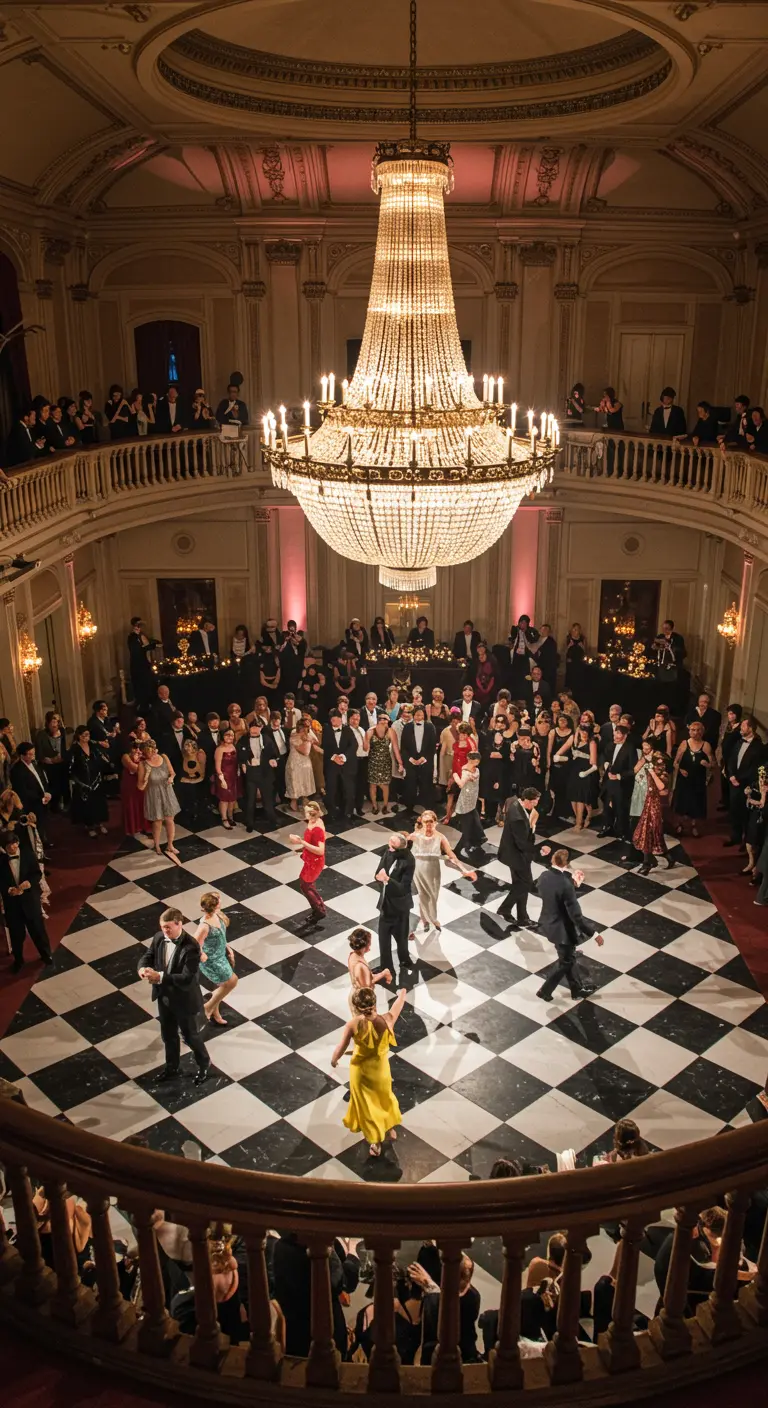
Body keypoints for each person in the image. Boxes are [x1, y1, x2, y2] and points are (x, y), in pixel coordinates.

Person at [138, 907, 211, 1085]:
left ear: (179, 924)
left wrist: (159, 977)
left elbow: (186, 978)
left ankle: (204, 1064)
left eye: (168, 927)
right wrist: (142, 968)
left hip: (184, 1000)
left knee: (190, 1036)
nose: (164, 931)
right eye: (163, 927)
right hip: (165, 997)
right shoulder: (159, 938)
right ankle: (172, 1068)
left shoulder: (191, 946)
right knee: (168, 1035)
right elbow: (148, 956)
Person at [332, 986, 406, 1158]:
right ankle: (389, 1128)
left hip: (361, 1073)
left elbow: (340, 1047)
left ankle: (375, 1141)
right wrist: (402, 994)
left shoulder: (352, 1024)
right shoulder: (386, 1021)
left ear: (356, 1007)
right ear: (375, 1003)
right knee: (384, 1100)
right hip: (381, 1072)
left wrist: (334, 1060)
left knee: (368, 1108)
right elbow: (397, 1007)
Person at [536, 848, 604, 999]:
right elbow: (576, 916)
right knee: (565, 962)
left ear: (553, 860)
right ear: (567, 864)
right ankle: (545, 991)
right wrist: (594, 934)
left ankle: (577, 989)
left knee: (569, 958)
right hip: (562, 930)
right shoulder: (566, 885)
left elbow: (552, 891)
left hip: (548, 923)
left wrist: (571, 882)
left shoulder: (544, 876)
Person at [405, 809, 475, 934]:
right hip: (419, 868)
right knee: (423, 895)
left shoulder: (440, 837)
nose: (428, 824)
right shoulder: (415, 835)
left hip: (433, 868)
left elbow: (451, 854)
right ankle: (426, 920)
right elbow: (402, 846)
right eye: (426, 821)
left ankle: (431, 917)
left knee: (433, 895)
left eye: (431, 821)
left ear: (435, 822)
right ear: (422, 821)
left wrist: (464, 869)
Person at [0, 829, 53, 973]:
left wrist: (29, 883)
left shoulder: (28, 855)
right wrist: (8, 890)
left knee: (38, 931)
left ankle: (46, 955)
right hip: (13, 905)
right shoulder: (1, 862)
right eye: (8, 845)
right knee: (16, 935)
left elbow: (37, 874)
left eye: (13, 843)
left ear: (17, 842)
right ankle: (18, 961)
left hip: (30, 901)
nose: (12, 847)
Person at [374, 832, 416, 982]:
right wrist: (381, 878)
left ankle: (405, 961)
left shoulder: (409, 860)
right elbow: (379, 872)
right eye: (389, 844)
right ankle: (386, 967)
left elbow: (403, 888)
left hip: (400, 906)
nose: (389, 847)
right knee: (383, 936)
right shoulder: (388, 851)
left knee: (401, 937)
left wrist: (387, 880)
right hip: (386, 903)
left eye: (392, 846)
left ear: (401, 849)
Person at [497, 787, 540, 927]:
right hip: (517, 856)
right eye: (534, 802)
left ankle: (522, 917)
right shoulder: (518, 818)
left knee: (520, 884)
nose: (535, 805)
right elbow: (522, 843)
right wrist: (538, 850)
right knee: (526, 884)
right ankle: (505, 908)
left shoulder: (515, 804)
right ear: (526, 800)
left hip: (513, 854)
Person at [194, 891, 238, 1026]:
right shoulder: (204, 926)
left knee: (221, 985)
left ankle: (215, 1011)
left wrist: (227, 947)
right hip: (211, 960)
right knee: (232, 981)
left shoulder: (218, 915)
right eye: (219, 900)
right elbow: (195, 945)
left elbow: (221, 935)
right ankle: (207, 1008)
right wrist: (202, 955)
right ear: (215, 905)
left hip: (220, 955)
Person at [137, 738, 181, 859]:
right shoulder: (142, 764)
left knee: (170, 819)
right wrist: (146, 777)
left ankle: (170, 845)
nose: (153, 754)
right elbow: (140, 787)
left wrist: (171, 778)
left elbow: (172, 772)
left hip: (167, 791)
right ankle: (157, 845)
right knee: (157, 821)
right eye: (149, 752)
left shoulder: (164, 757)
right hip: (154, 794)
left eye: (153, 751)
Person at [633, 753, 676, 875]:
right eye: (656, 762)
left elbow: (661, 787)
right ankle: (667, 857)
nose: (658, 765)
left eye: (660, 763)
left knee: (649, 834)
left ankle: (647, 864)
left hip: (655, 808)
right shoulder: (649, 770)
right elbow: (636, 773)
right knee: (649, 836)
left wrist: (652, 772)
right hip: (647, 805)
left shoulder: (664, 775)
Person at [725, 716, 763, 847]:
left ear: (751, 728)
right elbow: (731, 759)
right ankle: (735, 836)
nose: (741, 728)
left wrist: (739, 779)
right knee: (734, 810)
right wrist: (731, 775)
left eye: (743, 726)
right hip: (734, 782)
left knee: (745, 814)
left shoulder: (758, 747)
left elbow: (755, 769)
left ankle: (745, 841)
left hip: (747, 785)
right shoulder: (739, 742)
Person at [672, 721, 714, 838]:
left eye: (698, 730)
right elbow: (675, 762)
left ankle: (694, 826)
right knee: (682, 802)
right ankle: (680, 824)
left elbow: (713, 764)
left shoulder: (706, 745)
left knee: (696, 803)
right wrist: (680, 770)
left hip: (698, 779)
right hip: (684, 779)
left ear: (702, 732)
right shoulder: (684, 744)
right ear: (689, 731)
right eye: (692, 730)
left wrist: (707, 764)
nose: (695, 733)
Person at [288, 800, 326, 926]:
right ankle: (318, 906)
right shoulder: (312, 822)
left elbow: (320, 851)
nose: (304, 814)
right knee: (306, 884)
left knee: (305, 885)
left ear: (312, 813)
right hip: (310, 859)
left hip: (315, 862)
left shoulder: (318, 829)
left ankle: (319, 910)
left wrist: (302, 842)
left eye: (306, 812)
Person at [237, 718, 280, 829]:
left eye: (257, 727)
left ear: (261, 728)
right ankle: (249, 823)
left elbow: (274, 753)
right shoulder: (244, 740)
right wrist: (243, 763)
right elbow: (239, 754)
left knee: (267, 799)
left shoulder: (266, 739)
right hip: (251, 772)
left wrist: (273, 759)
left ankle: (272, 820)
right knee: (250, 800)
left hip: (264, 772)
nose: (255, 730)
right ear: (249, 728)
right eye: (253, 727)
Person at [69, 724, 109, 839]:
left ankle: (99, 823)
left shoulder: (93, 746)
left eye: (88, 735)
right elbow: (72, 767)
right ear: (79, 736)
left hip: (96, 778)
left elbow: (101, 758)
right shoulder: (75, 749)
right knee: (87, 804)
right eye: (85, 735)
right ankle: (90, 826)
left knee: (99, 802)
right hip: (83, 781)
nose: (87, 737)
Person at [10, 743, 51, 845]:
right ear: (22, 755)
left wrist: (46, 792)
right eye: (30, 754)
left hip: (41, 800)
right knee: (34, 827)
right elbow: (22, 791)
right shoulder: (17, 770)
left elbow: (41, 779)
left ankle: (43, 841)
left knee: (42, 822)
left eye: (33, 753)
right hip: (31, 804)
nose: (33, 756)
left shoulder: (35, 763)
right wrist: (40, 798)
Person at [599, 723, 635, 840]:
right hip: (609, 781)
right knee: (607, 805)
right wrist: (605, 764)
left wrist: (619, 776)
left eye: (618, 734)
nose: (615, 736)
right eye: (615, 733)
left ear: (624, 736)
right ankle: (607, 827)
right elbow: (604, 756)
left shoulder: (630, 749)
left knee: (620, 806)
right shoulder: (610, 745)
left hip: (621, 783)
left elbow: (632, 769)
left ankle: (621, 831)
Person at [399, 705, 436, 812]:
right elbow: (404, 747)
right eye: (416, 714)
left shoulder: (430, 727)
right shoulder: (407, 727)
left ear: (424, 715)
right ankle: (409, 805)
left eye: (420, 714)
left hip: (425, 760)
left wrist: (423, 758)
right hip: (411, 761)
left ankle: (427, 805)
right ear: (413, 715)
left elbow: (432, 746)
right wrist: (410, 759)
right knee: (410, 784)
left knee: (426, 783)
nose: (418, 716)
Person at [322, 709, 357, 820]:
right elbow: (325, 747)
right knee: (331, 789)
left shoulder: (348, 730)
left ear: (341, 719)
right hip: (332, 765)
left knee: (348, 789)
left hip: (346, 765)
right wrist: (334, 757)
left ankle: (348, 812)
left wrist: (344, 757)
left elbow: (353, 745)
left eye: (335, 718)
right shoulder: (326, 730)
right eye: (332, 718)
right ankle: (331, 811)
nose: (333, 720)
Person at [347, 926, 392, 1007]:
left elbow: (364, 978)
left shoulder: (353, 955)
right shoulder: (360, 966)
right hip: (362, 1001)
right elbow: (367, 984)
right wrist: (384, 973)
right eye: (369, 943)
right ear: (365, 945)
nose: (370, 945)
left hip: (357, 996)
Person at [452, 751, 485, 862]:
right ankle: (456, 851)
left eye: (476, 762)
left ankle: (478, 840)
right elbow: (461, 784)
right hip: (465, 803)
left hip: (472, 801)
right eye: (473, 762)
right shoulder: (465, 772)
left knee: (476, 822)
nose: (474, 764)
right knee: (467, 828)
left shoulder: (477, 770)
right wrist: (455, 775)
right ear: (468, 759)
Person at [568, 723, 599, 831]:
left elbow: (594, 764)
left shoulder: (592, 742)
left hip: (586, 771)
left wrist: (585, 773)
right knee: (573, 797)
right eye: (582, 731)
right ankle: (579, 819)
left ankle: (582, 820)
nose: (584, 733)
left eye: (586, 731)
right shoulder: (575, 741)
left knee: (582, 798)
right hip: (574, 770)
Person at [364, 714, 396, 815]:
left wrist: (400, 762)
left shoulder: (390, 731)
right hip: (373, 761)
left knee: (385, 785)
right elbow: (365, 748)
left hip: (385, 761)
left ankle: (385, 806)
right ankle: (374, 806)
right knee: (373, 785)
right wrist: (366, 739)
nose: (383, 720)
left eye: (385, 719)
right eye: (381, 719)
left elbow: (395, 747)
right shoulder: (371, 731)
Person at [285, 717, 318, 810]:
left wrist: (309, 734)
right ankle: (293, 805)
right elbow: (305, 751)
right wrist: (308, 740)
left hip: (305, 763)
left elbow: (316, 741)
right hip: (295, 763)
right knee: (295, 784)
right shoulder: (294, 735)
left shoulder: (308, 734)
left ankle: (304, 803)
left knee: (305, 783)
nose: (306, 729)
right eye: (305, 727)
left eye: (308, 726)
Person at [212, 726, 242, 829]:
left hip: (234, 776)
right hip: (224, 777)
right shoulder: (219, 749)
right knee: (224, 799)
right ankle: (224, 818)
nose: (230, 737)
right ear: (222, 736)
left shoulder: (234, 747)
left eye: (232, 735)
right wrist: (222, 779)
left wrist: (238, 771)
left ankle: (230, 816)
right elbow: (217, 767)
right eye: (227, 735)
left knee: (232, 799)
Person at [127, 616, 159, 709]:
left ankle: (150, 703)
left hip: (146, 664)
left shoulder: (143, 635)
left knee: (149, 684)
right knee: (141, 686)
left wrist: (154, 644)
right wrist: (150, 646)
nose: (140, 627)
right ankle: (143, 705)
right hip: (138, 666)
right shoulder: (132, 637)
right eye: (138, 625)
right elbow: (137, 650)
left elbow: (151, 642)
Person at [176, 737, 207, 828]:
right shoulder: (184, 755)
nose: (188, 748)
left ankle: (195, 814)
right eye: (186, 746)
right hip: (187, 779)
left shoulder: (200, 754)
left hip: (198, 781)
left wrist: (190, 781)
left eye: (190, 746)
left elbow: (202, 776)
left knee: (192, 791)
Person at [121, 743, 149, 837]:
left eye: (139, 748)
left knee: (143, 803)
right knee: (131, 804)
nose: (137, 750)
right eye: (135, 748)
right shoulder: (126, 756)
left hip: (141, 784)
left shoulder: (144, 756)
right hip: (129, 784)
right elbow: (134, 768)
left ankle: (144, 826)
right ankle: (132, 828)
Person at [532, 623, 559, 695]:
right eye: (542, 629)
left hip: (547, 668)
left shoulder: (551, 642)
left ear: (549, 632)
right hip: (539, 666)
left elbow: (550, 656)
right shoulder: (538, 640)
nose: (543, 631)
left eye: (545, 630)